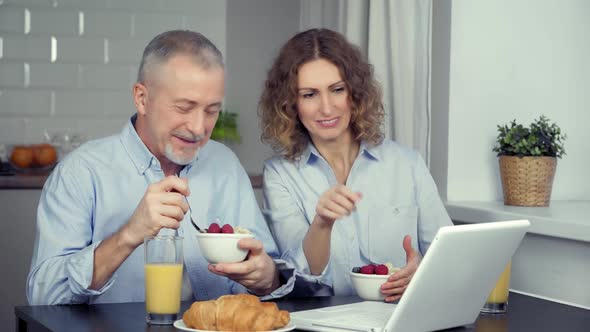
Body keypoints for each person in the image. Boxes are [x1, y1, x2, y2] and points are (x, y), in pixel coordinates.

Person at [27, 30, 295, 305]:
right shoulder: (80, 172)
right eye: (184, 108)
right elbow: (44, 297)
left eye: (211, 110)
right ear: (142, 98)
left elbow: (266, 273)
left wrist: (267, 279)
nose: (199, 128)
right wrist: (129, 234)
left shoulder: (225, 165)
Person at [259, 28, 452, 302]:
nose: (327, 108)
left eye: (337, 90)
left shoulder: (407, 164)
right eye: (310, 94)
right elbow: (302, 276)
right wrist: (322, 224)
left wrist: (421, 274)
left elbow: (448, 256)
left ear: (356, 92)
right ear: (290, 104)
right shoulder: (280, 174)